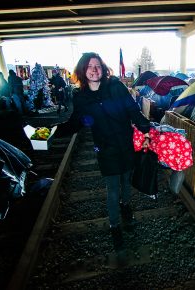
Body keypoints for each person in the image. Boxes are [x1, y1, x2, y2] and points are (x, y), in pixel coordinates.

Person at [56, 52, 151, 251]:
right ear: (83, 70)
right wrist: (54, 132)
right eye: (89, 66)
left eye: (97, 65)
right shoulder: (81, 97)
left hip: (125, 145)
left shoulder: (116, 87)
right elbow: (76, 122)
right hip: (105, 148)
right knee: (112, 189)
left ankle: (126, 209)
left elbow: (133, 111)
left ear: (103, 68)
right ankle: (115, 226)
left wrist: (148, 129)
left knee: (126, 182)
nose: (94, 69)